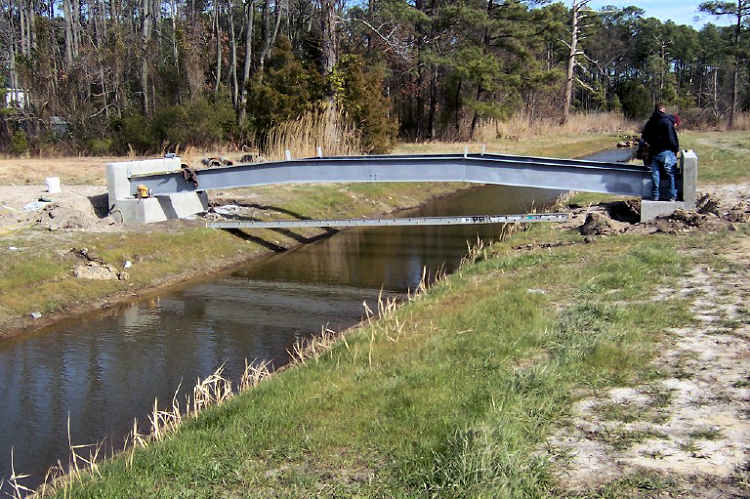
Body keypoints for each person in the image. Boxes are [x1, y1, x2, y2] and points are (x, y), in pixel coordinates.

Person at [641, 103, 680, 201]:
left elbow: (644, 137)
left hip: (654, 152)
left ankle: (655, 195)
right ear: (663, 109)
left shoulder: (650, 122)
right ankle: (671, 195)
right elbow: (672, 138)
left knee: (655, 174)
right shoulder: (667, 122)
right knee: (671, 173)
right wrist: (676, 149)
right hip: (666, 151)